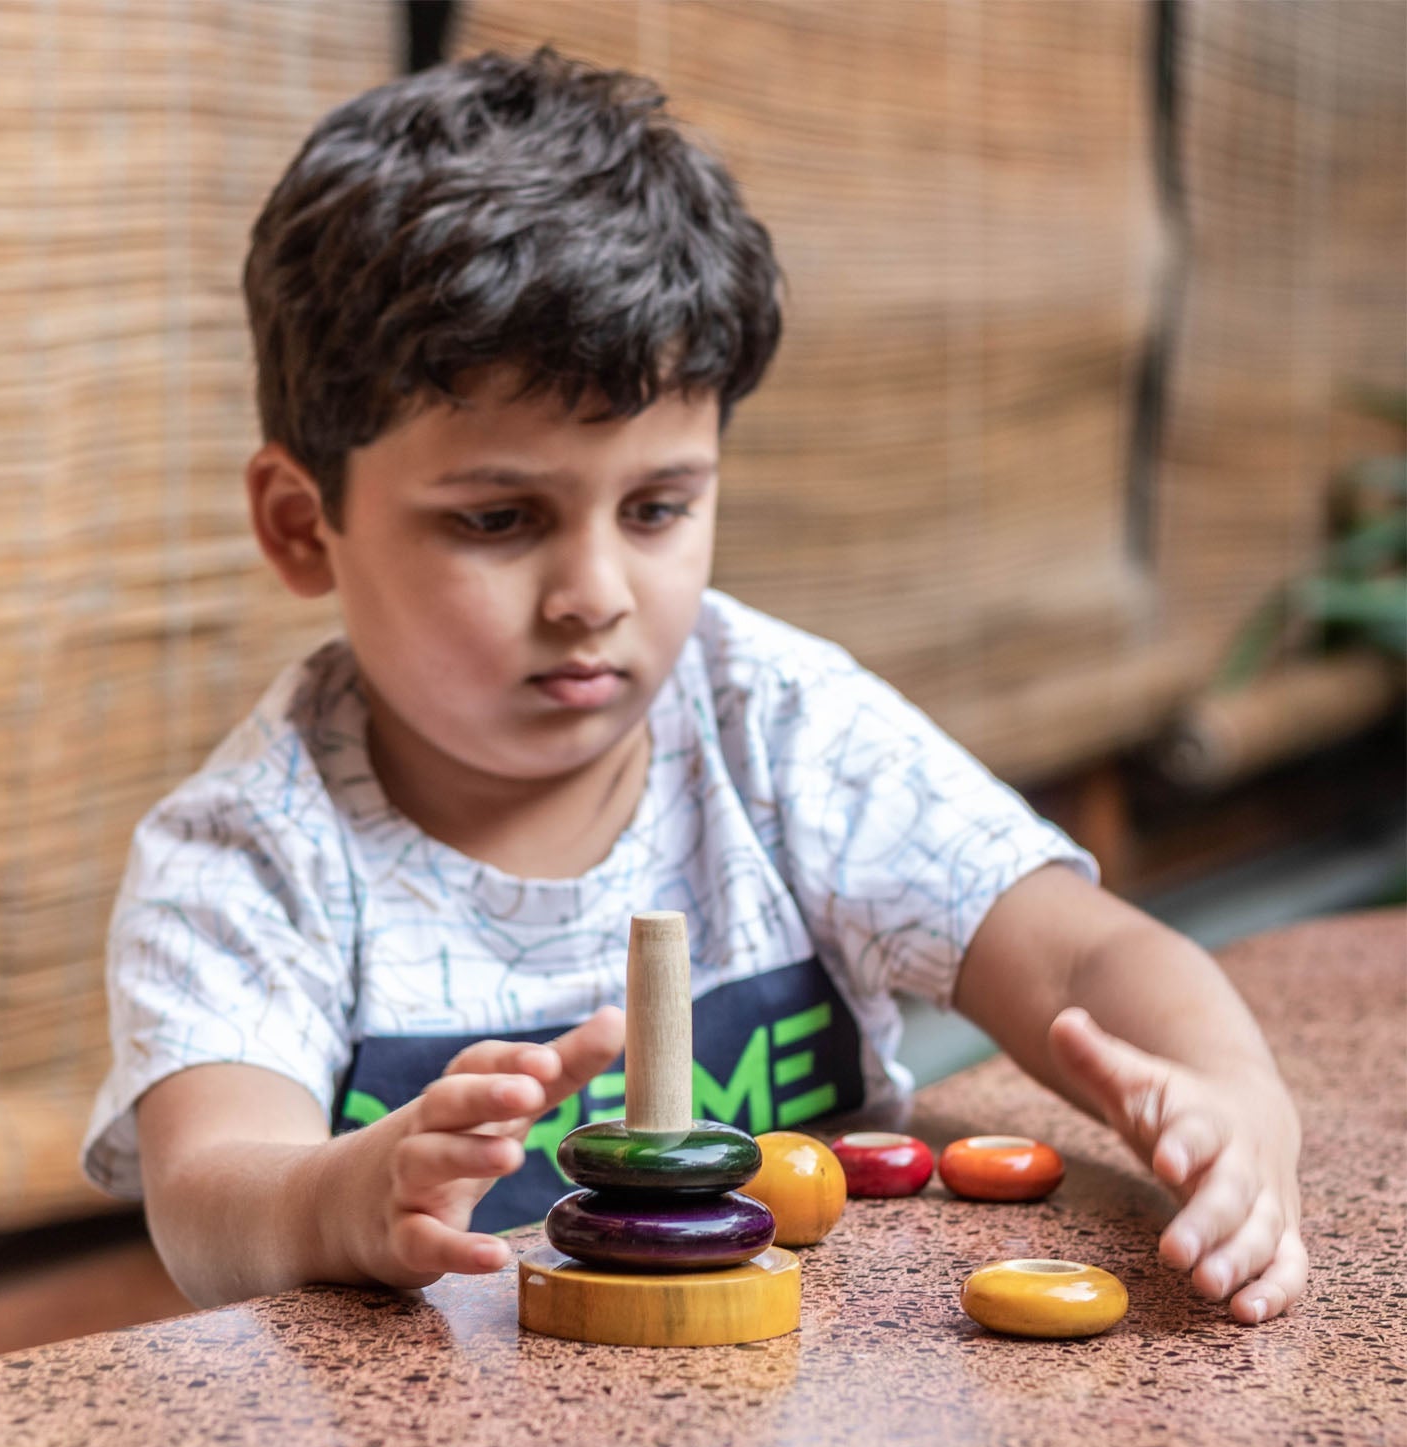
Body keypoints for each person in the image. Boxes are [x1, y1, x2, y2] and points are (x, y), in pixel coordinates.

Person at [81, 47, 1306, 1324]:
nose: (594, 592)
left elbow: (1083, 961)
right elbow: (211, 1198)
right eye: (499, 518)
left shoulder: (774, 724)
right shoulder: (247, 856)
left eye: (658, 506)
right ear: (299, 523)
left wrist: (1230, 1098)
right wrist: (340, 1200)